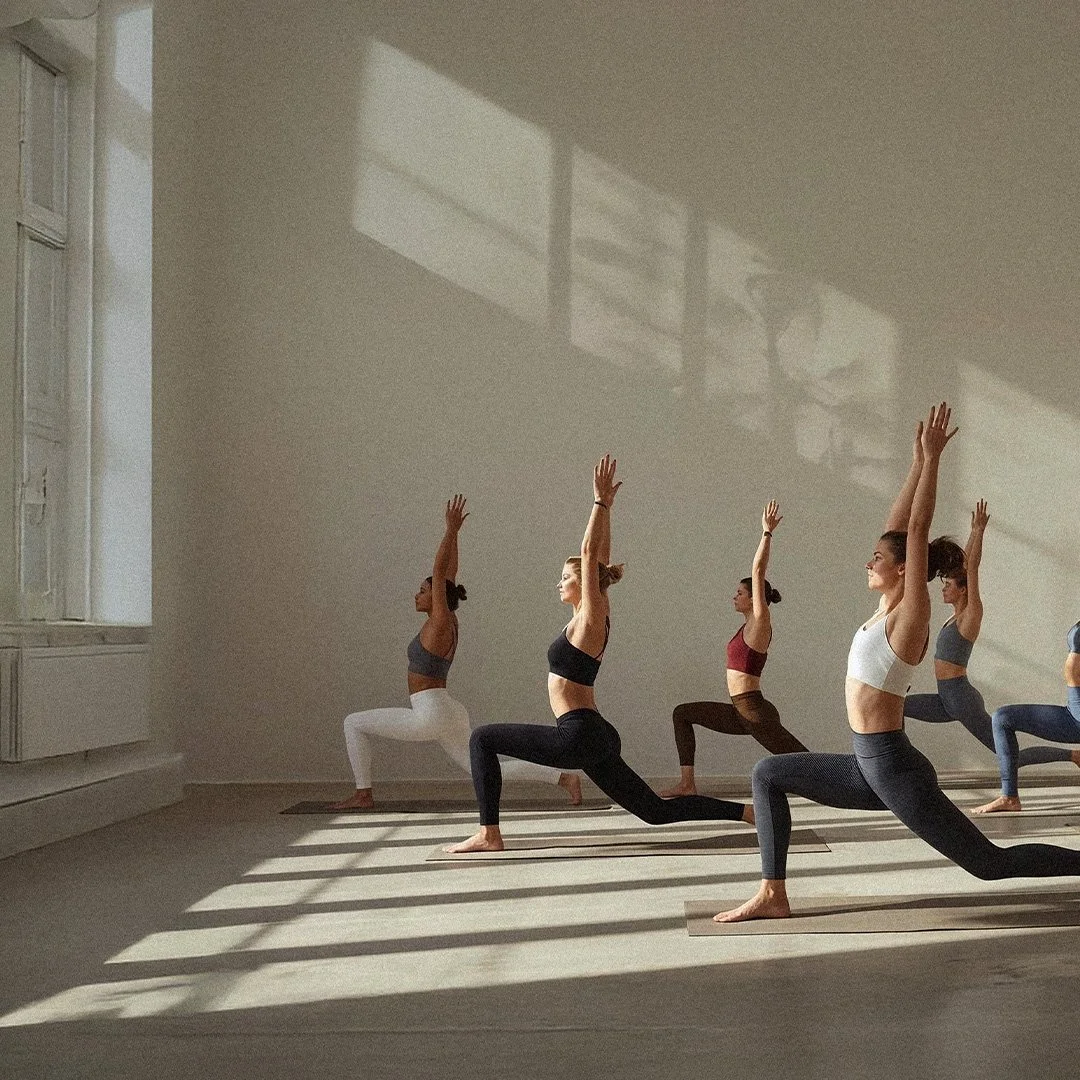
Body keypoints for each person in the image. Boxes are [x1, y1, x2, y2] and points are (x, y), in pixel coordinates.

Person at [713, 404, 1080, 923]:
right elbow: (899, 526)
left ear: (905, 569)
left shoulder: (910, 616)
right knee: (769, 772)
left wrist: (934, 461)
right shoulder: (883, 608)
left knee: (988, 864)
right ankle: (773, 893)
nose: (869, 562)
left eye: (879, 560)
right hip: (867, 763)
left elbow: (917, 528)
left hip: (894, 767)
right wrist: (915, 462)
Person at [446, 456, 751, 853]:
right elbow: (600, 560)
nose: (559, 583)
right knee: (654, 811)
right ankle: (748, 812)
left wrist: (600, 503)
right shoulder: (586, 618)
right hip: (594, 733)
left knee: (483, 739)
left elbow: (591, 556)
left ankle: (489, 833)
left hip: (577, 734)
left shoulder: (591, 620)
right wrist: (607, 512)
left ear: (585, 583)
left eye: (566, 577)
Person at [332, 495, 580, 810]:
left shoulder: (440, 621)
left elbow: (440, 575)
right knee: (484, 768)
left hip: (429, 713)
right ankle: (564, 778)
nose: (417, 595)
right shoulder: (448, 619)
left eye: (423, 591)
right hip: (447, 710)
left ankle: (363, 793)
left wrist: (449, 531)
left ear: (435, 596)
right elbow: (447, 576)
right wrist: (456, 536)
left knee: (353, 723)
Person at [905, 500, 1079, 776]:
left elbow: (972, 569)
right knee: (895, 706)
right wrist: (972, 535)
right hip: (946, 698)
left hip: (961, 699)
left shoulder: (970, 616)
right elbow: (966, 566)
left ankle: (1072, 754)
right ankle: (899, 766)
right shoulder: (953, 617)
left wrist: (979, 532)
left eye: (948, 585)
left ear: (963, 590)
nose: (943, 590)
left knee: (1008, 755)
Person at [660, 501, 807, 799]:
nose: (734, 596)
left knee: (807, 764)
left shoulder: (760, 623)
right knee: (682, 714)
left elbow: (758, 570)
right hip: (740, 711)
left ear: (754, 598)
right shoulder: (745, 626)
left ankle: (852, 784)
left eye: (740, 592)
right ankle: (687, 784)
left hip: (755, 712)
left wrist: (766, 533)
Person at [972, 622, 1080, 813]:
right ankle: (1009, 797)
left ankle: (1009, 797)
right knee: (1003, 718)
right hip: (1073, 712)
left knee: (1003, 718)